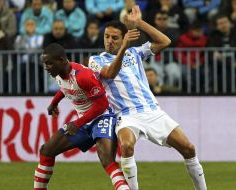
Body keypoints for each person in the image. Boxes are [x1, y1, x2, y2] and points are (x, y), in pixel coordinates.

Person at [88, 5, 207, 190]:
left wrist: (140, 23)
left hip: (152, 110)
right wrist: (124, 48)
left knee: (189, 148)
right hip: (126, 115)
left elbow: (165, 41)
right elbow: (110, 73)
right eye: (106, 36)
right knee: (126, 147)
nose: (109, 41)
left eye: (114, 38)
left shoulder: (135, 53)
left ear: (124, 38)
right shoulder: (96, 60)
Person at [34, 43, 130, 190]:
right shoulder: (59, 73)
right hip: (83, 122)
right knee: (46, 150)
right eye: (45, 64)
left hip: (102, 117)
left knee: (106, 159)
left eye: (49, 63)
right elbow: (64, 88)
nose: (46, 67)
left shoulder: (83, 76)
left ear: (62, 60)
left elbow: (102, 105)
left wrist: (77, 123)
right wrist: (54, 103)